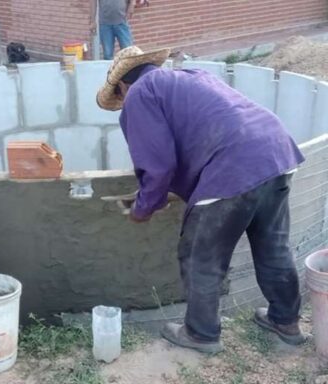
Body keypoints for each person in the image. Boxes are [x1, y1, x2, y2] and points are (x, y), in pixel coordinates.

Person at [96, 46, 308, 353]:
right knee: (272, 246)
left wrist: (144, 207)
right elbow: (203, 134)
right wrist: (161, 194)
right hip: (276, 151)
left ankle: (201, 334)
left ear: (122, 87)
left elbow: (158, 164)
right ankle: (286, 322)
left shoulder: (139, 94)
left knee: (201, 255)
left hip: (234, 167)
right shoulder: (192, 77)